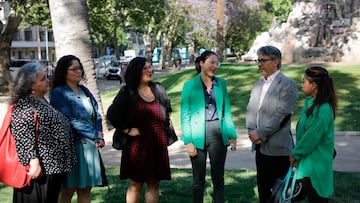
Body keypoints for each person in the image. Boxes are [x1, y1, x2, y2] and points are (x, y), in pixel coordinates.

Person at [106, 57, 171, 203]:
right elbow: (112, 114)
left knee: (154, 183)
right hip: (137, 145)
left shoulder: (158, 88)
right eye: (145, 68)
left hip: (157, 143)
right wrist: (127, 130)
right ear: (136, 71)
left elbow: (167, 108)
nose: (150, 70)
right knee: (136, 184)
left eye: (150, 67)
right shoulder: (128, 92)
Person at [10, 63, 76, 203]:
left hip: (52, 168)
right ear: (31, 85)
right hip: (39, 171)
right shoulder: (25, 104)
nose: (48, 80)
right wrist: (33, 162)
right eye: (43, 79)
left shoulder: (41, 100)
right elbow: (22, 134)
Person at [180, 50, 237, 203]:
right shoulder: (189, 86)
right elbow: (185, 116)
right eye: (212, 62)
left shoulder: (221, 83)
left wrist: (232, 135)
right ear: (201, 63)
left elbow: (227, 111)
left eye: (216, 63)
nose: (215, 66)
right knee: (198, 180)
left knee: (218, 178)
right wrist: (188, 141)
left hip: (218, 133)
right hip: (197, 135)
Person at [50, 55, 107, 203]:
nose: (78, 71)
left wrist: (99, 135)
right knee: (68, 190)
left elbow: (97, 115)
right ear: (64, 72)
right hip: (72, 147)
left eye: (79, 67)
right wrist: (95, 135)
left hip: (90, 147)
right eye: (74, 68)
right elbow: (70, 121)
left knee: (86, 189)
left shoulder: (84, 91)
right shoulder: (59, 93)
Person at [245, 45, 298, 203]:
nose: (259, 64)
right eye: (258, 60)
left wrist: (260, 133)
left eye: (263, 60)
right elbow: (250, 110)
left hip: (278, 149)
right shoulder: (258, 84)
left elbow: (282, 115)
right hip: (260, 148)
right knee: (263, 191)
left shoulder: (287, 84)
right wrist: (252, 132)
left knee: (279, 195)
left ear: (276, 62)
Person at [290, 66, 337, 203]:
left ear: (314, 85)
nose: (301, 84)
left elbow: (311, 138)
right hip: (307, 165)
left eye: (304, 81)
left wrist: (295, 154)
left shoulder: (323, 109)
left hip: (316, 168)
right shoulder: (310, 103)